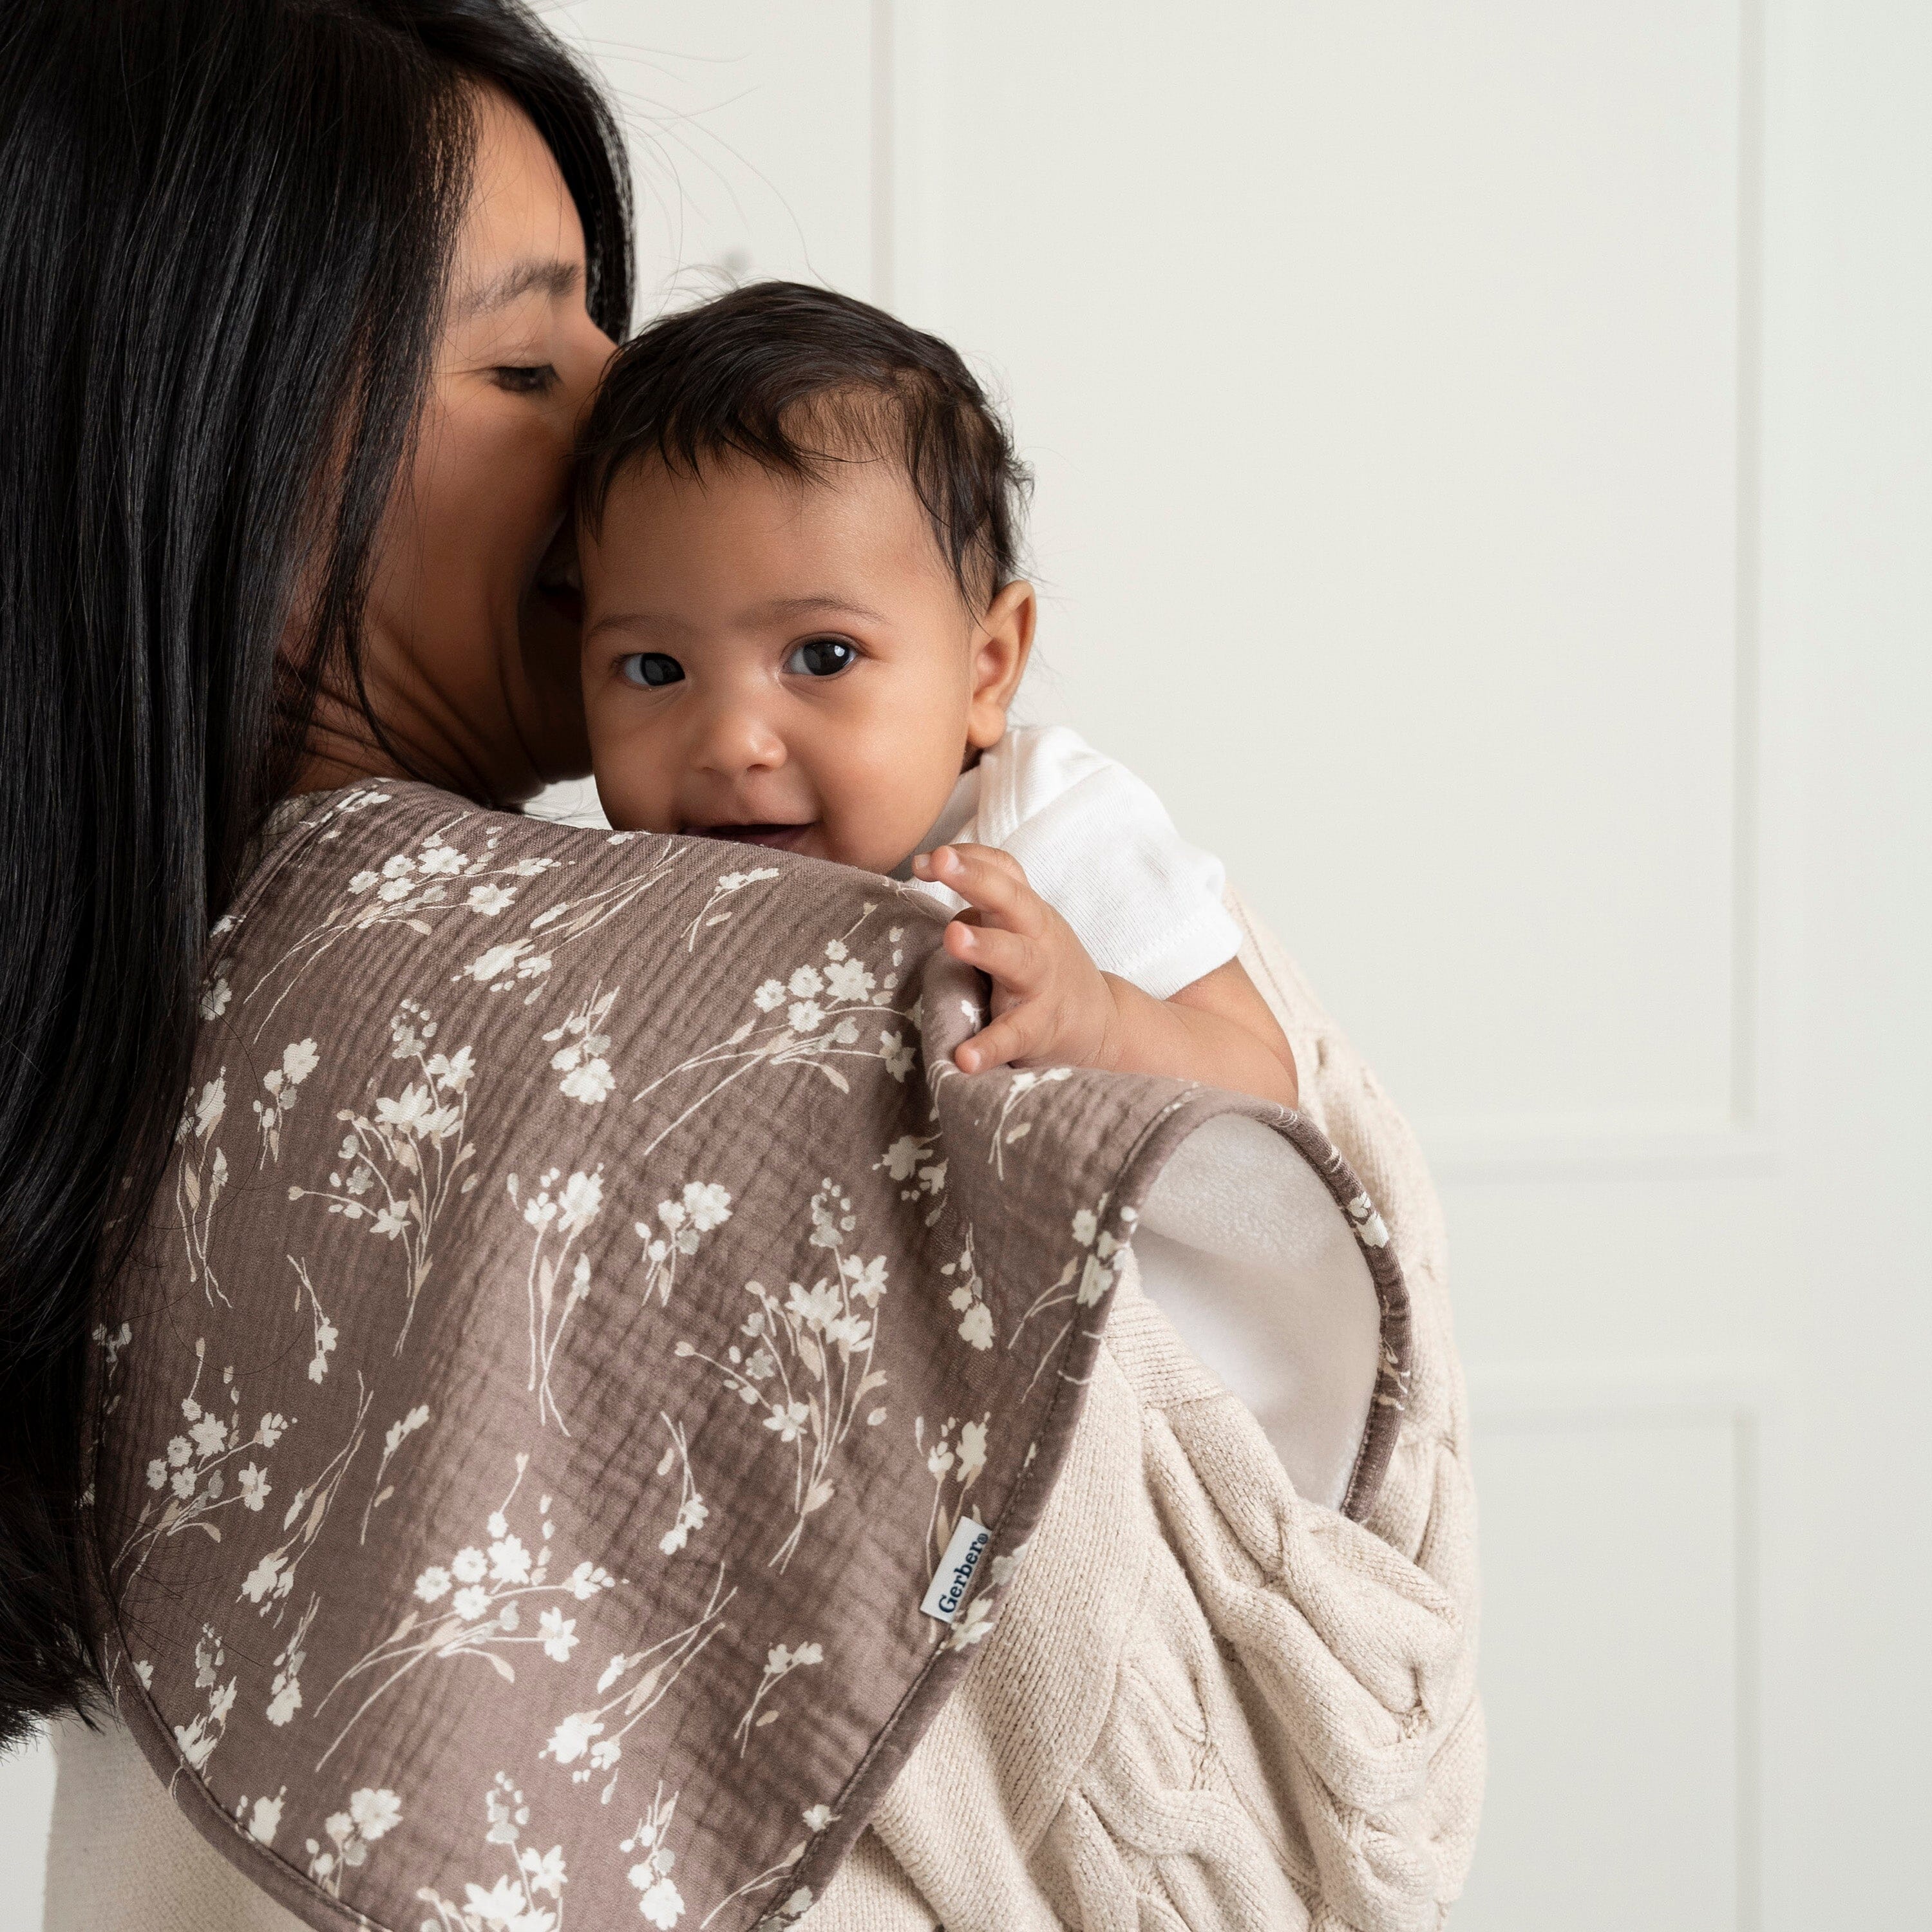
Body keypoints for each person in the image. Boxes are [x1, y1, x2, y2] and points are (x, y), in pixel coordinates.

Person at [0, 3, 1479, 1926]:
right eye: (532, 358)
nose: (626, 409)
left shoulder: (137, 998)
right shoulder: (761, 1000)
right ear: (212, 446)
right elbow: (1257, 1801)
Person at [574, 281, 1302, 1108]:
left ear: (986, 668)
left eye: (823, 655)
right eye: (655, 669)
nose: (733, 743)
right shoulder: (626, 899)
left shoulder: (1052, 828)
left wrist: (1101, 1023)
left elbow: (1269, 1086)